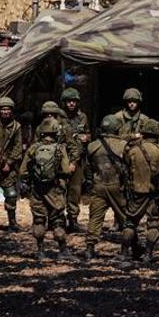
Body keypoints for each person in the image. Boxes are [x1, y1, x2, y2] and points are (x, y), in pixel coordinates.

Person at [20, 117, 75, 262]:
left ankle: (40, 251)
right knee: (57, 220)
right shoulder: (59, 149)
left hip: (37, 189)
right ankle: (62, 250)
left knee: (39, 219)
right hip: (55, 190)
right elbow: (65, 170)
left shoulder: (33, 148)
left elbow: (23, 171)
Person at [121, 117, 159, 263]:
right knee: (154, 223)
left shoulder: (133, 151)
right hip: (154, 192)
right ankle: (148, 254)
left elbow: (126, 167)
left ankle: (123, 254)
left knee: (130, 223)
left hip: (137, 191)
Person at [83, 114, 129, 261]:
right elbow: (128, 167)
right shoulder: (123, 145)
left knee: (95, 218)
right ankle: (126, 249)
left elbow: (88, 168)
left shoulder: (92, 146)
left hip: (99, 186)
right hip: (117, 187)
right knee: (126, 219)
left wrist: (90, 182)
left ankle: (90, 249)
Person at [0, 97, 25, 232]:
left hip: (8, 165)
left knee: (12, 194)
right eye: (3, 109)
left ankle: (12, 223)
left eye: (8, 109)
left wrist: (9, 162)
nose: (6, 112)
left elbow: (18, 147)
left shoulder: (16, 126)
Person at [60, 88, 90, 233]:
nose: (71, 104)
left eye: (74, 101)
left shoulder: (83, 117)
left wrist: (86, 137)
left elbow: (87, 133)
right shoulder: (58, 117)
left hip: (78, 159)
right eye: (68, 101)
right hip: (60, 158)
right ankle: (58, 220)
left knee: (75, 190)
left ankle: (73, 220)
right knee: (59, 189)